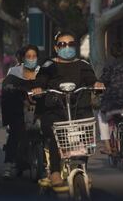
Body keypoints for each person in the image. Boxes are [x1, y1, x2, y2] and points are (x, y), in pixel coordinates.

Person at [33, 31, 103, 187]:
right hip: (55, 110)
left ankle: (81, 167)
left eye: (71, 44)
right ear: (56, 48)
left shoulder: (83, 64)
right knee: (56, 132)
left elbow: (91, 79)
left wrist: (96, 85)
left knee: (85, 132)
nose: (67, 47)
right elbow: (41, 79)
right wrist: (38, 87)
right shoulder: (48, 65)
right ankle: (55, 171)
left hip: (79, 110)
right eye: (62, 44)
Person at [1, 44, 41, 179]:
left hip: (38, 108)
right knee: (16, 132)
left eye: (34, 56)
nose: (31, 59)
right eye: (28, 56)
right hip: (19, 108)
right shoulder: (14, 71)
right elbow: (7, 86)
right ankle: (8, 163)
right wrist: (12, 88)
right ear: (23, 58)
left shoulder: (42, 72)